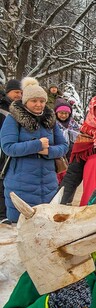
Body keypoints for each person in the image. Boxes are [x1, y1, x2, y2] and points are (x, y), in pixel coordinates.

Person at [0, 77, 68, 223]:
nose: (38, 104)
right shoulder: (13, 119)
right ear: (25, 101)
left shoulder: (50, 120)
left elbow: (63, 147)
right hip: (20, 182)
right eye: (34, 101)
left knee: (47, 223)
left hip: (48, 182)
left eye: (42, 101)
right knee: (20, 225)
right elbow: (8, 147)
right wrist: (36, 145)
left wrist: (48, 151)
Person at [0, 79, 23, 224]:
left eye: (21, 92)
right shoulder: (3, 108)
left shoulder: (19, 108)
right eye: (16, 92)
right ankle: (2, 215)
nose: (19, 95)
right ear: (8, 92)